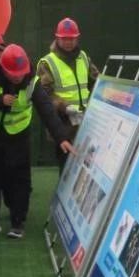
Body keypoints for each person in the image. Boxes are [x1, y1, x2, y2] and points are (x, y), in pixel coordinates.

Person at [0, 45, 73, 239]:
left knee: (19, 180)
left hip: (18, 136)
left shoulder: (32, 82)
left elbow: (47, 110)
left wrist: (61, 137)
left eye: (20, 73)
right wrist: (0, 101)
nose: (17, 77)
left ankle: (17, 223)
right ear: (3, 68)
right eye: (13, 74)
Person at [36, 17, 99, 173]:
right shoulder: (47, 63)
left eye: (72, 38)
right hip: (63, 124)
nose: (68, 42)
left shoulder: (83, 57)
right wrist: (64, 107)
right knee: (67, 168)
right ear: (57, 38)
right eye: (64, 39)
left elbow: (96, 81)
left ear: (77, 38)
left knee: (88, 166)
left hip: (86, 121)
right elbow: (44, 95)